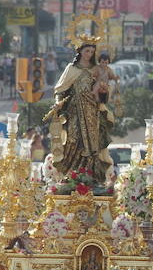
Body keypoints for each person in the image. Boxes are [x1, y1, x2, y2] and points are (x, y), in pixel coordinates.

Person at [45, 38, 115, 183]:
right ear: (80, 51)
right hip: (74, 110)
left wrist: (103, 91)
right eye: (86, 51)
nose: (89, 54)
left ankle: (91, 177)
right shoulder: (72, 69)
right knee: (73, 139)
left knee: (92, 144)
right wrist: (58, 103)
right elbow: (60, 90)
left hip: (92, 111)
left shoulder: (96, 70)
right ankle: (72, 175)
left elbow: (104, 92)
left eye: (92, 51)